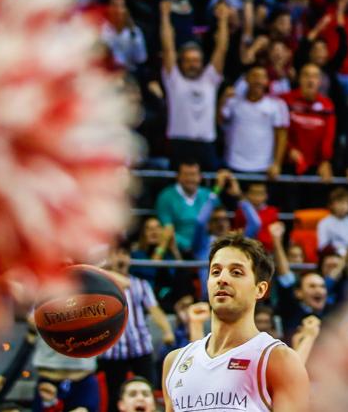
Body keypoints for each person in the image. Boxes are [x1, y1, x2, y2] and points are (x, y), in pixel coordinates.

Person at [162, 234, 309, 412]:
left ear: (260, 289)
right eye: (215, 272)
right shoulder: (175, 362)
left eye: (236, 272)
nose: (222, 279)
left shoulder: (278, 359)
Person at [99, 243, 175, 411]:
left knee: (147, 390)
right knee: (115, 397)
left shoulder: (141, 284)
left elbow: (154, 309)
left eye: (124, 254)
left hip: (139, 345)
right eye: (116, 254)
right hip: (114, 350)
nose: (121, 258)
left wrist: (167, 329)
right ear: (109, 259)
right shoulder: (100, 284)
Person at [159, 0, 230, 170]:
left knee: (208, 191)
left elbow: (221, 49)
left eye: (196, 61)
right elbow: (168, 48)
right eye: (188, 61)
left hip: (206, 144)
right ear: (181, 62)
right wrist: (165, 16)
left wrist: (223, 20)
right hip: (179, 143)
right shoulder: (174, 80)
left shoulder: (210, 80)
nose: (193, 64)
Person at [220, 66, 290, 178]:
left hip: (263, 166)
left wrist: (277, 164)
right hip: (233, 163)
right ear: (246, 79)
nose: (258, 80)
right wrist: (223, 100)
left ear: (267, 81)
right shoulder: (233, 101)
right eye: (254, 76)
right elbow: (220, 122)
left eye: (262, 77)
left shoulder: (277, 105)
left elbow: (282, 135)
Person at [154, 162, 215, 257]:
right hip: (176, 250)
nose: (190, 179)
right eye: (186, 175)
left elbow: (219, 219)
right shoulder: (166, 196)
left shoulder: (208, 195)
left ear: (200, 177)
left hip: (206, 249)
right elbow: (167, 228)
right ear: (178, 177)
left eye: (193, 174)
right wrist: (188, 247)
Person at [316, 187, 348, 257]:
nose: (343, 206)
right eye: (339, 203)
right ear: (331, 205)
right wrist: (339, 252)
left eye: (346, 203)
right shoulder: (324, 223)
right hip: (331, 257)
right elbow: (322, 247)